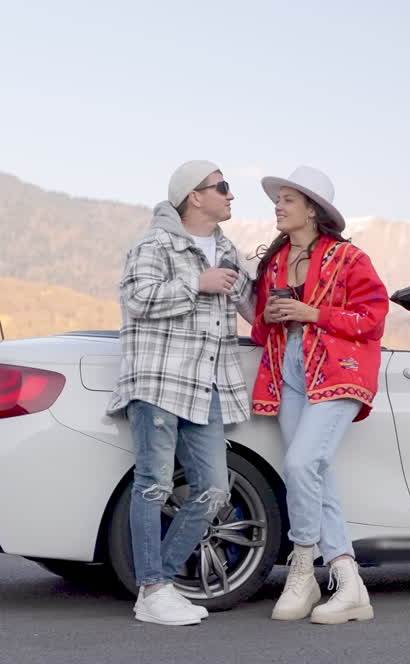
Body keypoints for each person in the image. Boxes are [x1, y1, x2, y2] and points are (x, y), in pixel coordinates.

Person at [107, 160, 255, 626]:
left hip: (209, 385)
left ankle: (160, 583)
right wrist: (198, 282)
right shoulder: (156, 243)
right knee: (152, 486)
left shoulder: (228, 250)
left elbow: (256, 309)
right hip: (160, 382)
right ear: (195, 196)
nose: (231, 195)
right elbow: (136, 296)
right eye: (222, 187)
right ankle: (152, 590)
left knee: (213, 491)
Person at [249, 166, 389, 624]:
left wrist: (313, 312)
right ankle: (349, 583)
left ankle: (304, 568)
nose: (279, 205)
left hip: (337, 368)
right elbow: (259, 328)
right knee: (315, 473)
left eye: (288, 199)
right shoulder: (274, 260)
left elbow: (372, 317)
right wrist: (269, 313)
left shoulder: (349, 258)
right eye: (279, 199)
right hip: (287, 365)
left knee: (302, 463)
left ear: (312, 208)